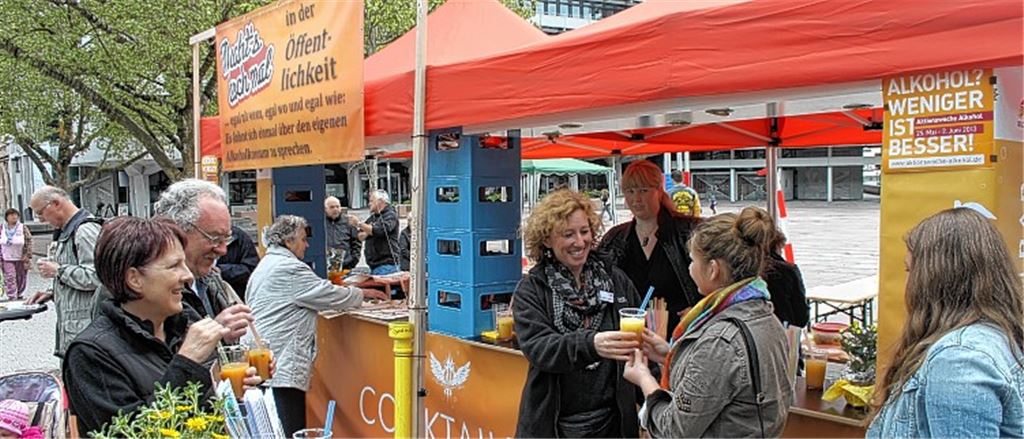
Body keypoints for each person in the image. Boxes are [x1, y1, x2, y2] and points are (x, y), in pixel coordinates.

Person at [63, 217, 263, 435]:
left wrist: (229, 391)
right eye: (174, 266)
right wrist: (187, 362)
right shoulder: (90, 353)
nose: (187, 276)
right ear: (134, 279)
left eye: (184, 264)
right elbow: (131, 433)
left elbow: (198, 416)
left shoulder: (184, 326)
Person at [623, 207, 794, 437]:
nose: (689, 268)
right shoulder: (765, 315)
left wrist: (644, 378)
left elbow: (674, 430)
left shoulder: (720, 341)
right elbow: (727, 382)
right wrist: (670, 355)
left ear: (712, 269)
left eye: (693, 261)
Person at [867, 208, 1024, 438]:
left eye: (910, 270)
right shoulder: (996, 335)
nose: (907, 283)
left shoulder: (959, 360)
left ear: (933, 279)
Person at [514, 189, 642, 438]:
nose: (580, 242)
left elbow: (639, 341)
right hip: (555, 425)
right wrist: (591, 344)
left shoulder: (615, 279)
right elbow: (539, 349)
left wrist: (651, 399)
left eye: (584, 231)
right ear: (547, 239)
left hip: (613, 423)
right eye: (568, 234)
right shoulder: (532, 289)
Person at [245, 215, 365, 437]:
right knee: (288, 427)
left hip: (265, 361)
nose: (307, 245)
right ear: (288, 241)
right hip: (280, 365)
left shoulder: (268, 263)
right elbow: (330, 295)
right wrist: (363, 293)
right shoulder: (289, 268)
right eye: (303, 239)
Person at [599, 160, 702, 335]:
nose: (636, 199)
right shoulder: (614, 238)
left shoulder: (689, 232)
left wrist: (701, 309)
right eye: (630, 191)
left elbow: (719, 277)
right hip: (631, 335)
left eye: (643, 191)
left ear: (659, 191)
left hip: (680, 334)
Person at [152, 179, 253, 342]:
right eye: (214, 238)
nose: (223, 250)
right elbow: (153, 361)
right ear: (178, 230)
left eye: (226, 239)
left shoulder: (211, 279)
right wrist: (214, 334)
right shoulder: (149, 289)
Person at [26, 186, 102, 357]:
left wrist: (58, 270)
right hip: (77, 331)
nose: (40, 220)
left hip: (87, 331)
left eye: (40, 213)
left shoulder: (84, 231)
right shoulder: (69, 230)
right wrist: (52, 292)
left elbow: (97, 277)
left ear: (55, 204)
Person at [348, 190, 401, 275]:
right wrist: (370, 230)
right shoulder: (372, 218)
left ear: (380, 201)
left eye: (372, 201)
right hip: (374, 265)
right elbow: (360, 236)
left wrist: (359, 224)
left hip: (387, 264)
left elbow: (380, 230)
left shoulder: (390, 215)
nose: (369, 204)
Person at [218, 225, 260, 300]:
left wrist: (220, 270)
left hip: (236, 297)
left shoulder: (239, 237)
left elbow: (252, 269)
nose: (222, 250)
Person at [1, 209, 32, 301]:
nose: (14, 217)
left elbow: (29, 240)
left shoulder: (22, 228)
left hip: (21, 257)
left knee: (21, 276)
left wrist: (28, 254)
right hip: (6, 257)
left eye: (15, 215)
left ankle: (19, 292)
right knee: (10, 276)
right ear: (7, 217)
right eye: (11, 215)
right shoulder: (1, 228)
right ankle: (12, 295)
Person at [325, 196, 361, 270]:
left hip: (346, 266)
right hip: (326, 267)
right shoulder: (320, 223)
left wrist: (353, 260)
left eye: (337, 207)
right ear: (325, 209)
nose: (335, 209)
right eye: (332, 207)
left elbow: (356, 243)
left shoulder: (348, 222)